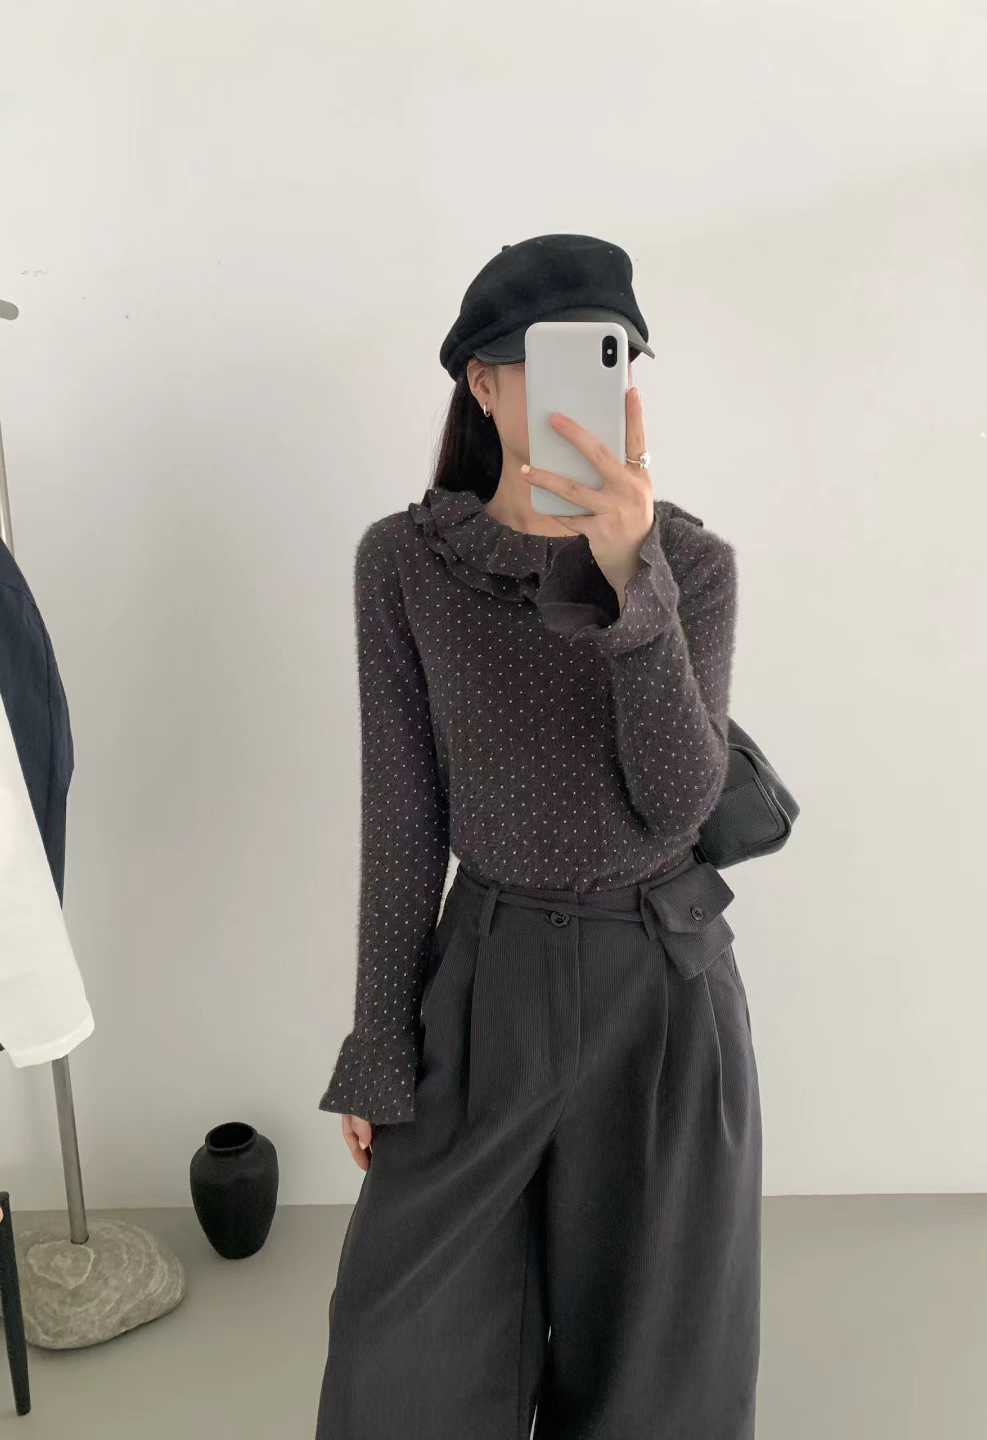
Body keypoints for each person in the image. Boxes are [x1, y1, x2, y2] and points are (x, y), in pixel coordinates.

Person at [314, 234, 762, 1440]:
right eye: (554, 360)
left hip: (660, 995)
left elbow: (678, 806)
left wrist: (632, 585)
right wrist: (380, 1040)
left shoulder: (692, 569)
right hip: (486, 981)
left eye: (614, 361)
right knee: (401, 1359)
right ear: (484, 382)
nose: (591, 395)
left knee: (655, 1378)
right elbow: (402, 814)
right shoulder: (406, 564)